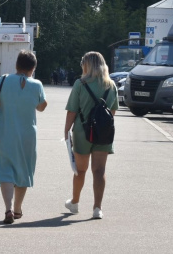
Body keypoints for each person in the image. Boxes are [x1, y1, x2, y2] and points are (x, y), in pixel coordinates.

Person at [0, 50, 48, 224]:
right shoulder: (37, 85)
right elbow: (42, 107)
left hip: (4, 131)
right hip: (27, 134)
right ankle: (17, 210)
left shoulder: (4, 79)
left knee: (5, 169)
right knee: (23, 170)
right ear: (33, 67)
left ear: (16, 65)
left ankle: (8, 208)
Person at [63, 51, 118, 220]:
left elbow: (72, 110)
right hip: (104, 133)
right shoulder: (111, 85)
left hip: (82, 132)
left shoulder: (80, 84)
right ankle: (97, 208)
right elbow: (113, 111)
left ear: (87, 65)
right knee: (99, 171)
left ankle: (75, 202)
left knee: (80, 170)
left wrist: (66, 131)